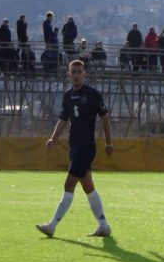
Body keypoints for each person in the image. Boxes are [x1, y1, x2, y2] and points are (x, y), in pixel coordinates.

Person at [36, 59, 114, 239]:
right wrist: (53, 138)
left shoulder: (93, 94)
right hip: (74, 146)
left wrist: (109, 143)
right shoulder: (68, 96)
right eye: (74, 72)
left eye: (80, 71)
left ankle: (52, 225)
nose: (77, 75)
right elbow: (63, 120)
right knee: (88, 187)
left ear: (84, 74)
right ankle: (104, 225)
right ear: (69, 74)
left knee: (68, 184)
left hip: (86, 147)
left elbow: (105, 118)